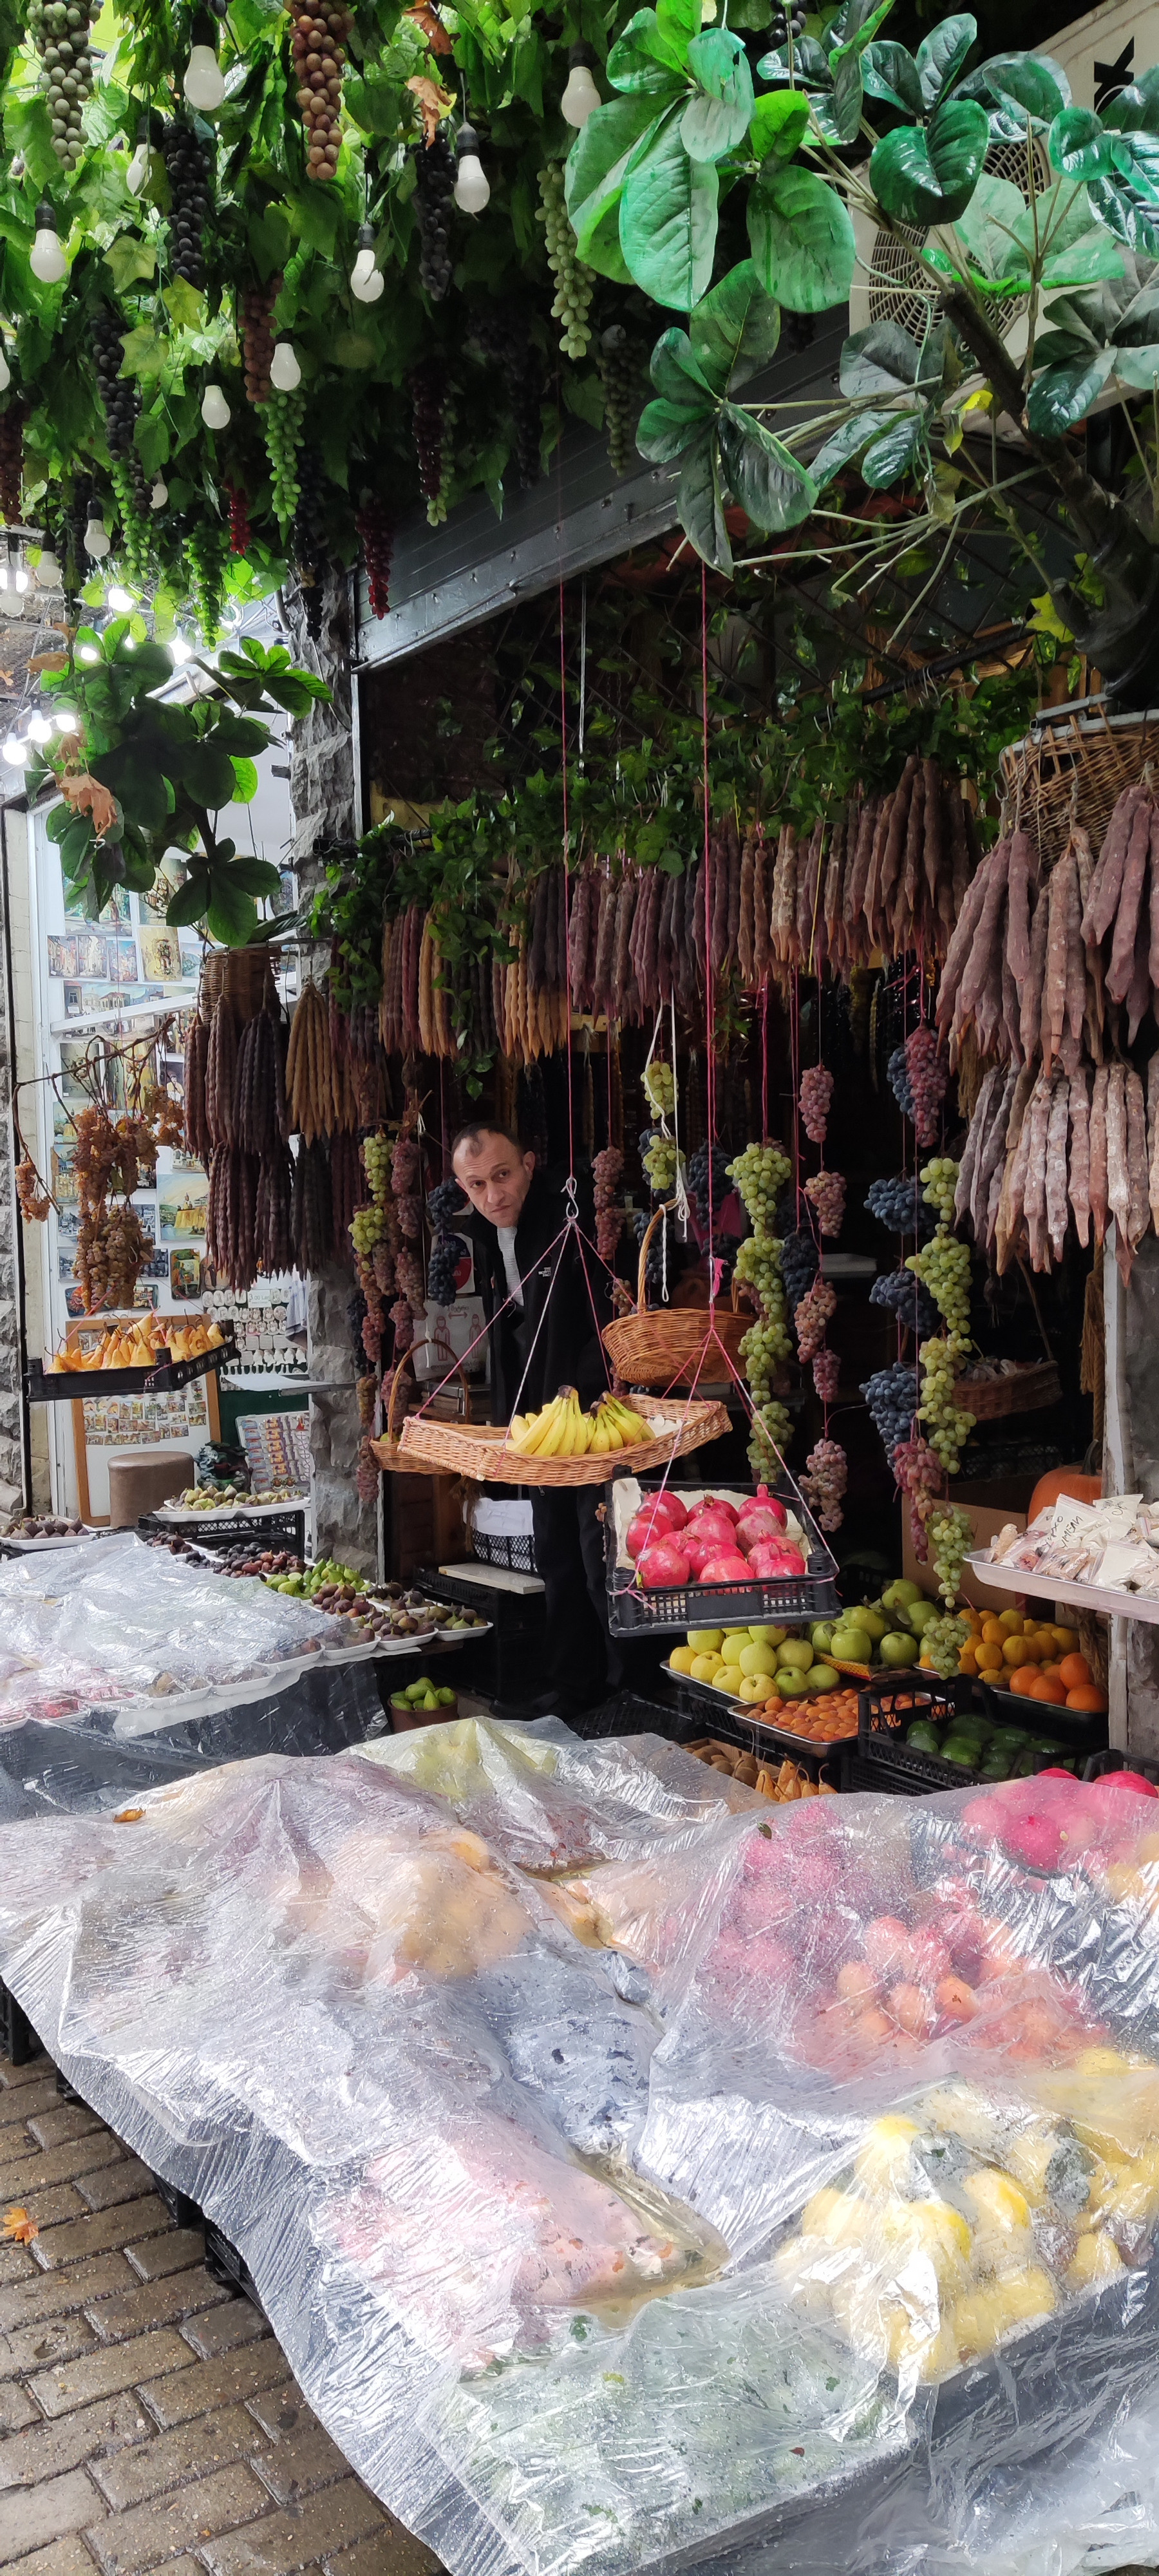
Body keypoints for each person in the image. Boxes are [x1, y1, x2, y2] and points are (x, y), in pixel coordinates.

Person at [450, 1120, 625, 1722]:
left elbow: (608, 1314)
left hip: (591, 1411)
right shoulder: (481, 1232)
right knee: (553, 1550)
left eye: (503, 1175)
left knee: (598, 1546)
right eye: (477, 1185)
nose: (493, 1194)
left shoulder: (567, 1215)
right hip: (536, 1420)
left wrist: (584, 1386)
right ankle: (571, 1684)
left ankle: (624, 1687)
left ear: (528, 1164)